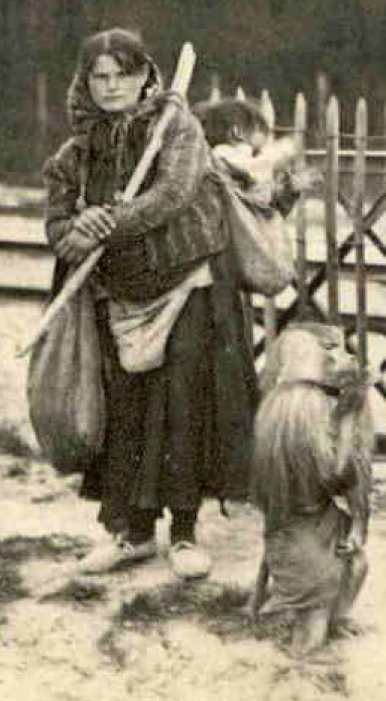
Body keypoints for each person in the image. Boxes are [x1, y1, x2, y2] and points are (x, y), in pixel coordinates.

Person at [42, 29, 257, 580]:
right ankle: (131, 534)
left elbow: (173, 195)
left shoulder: (176, 128)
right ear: (86, 83)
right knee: (126, 413)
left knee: (184, 407)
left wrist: (107, 222)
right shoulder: (76, 152)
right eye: (100, 77)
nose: (112, 86)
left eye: (123, 74)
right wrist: (78, 228)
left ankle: (184, 536)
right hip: (118, 294)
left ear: (145, 76)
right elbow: (58, 229)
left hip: (187, 284)